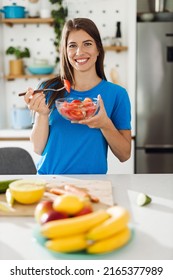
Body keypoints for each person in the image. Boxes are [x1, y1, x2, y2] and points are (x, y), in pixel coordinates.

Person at [24, 18, 131, 174]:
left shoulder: (117, 94)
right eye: (72, 46)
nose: (79, 52)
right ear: (65, 52)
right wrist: (42, 114)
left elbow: (125, 154)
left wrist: (104, 124)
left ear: (98, 49)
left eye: (87, 44)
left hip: (94, 183)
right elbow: (38, 148)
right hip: (50, 180)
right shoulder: (48, 89)